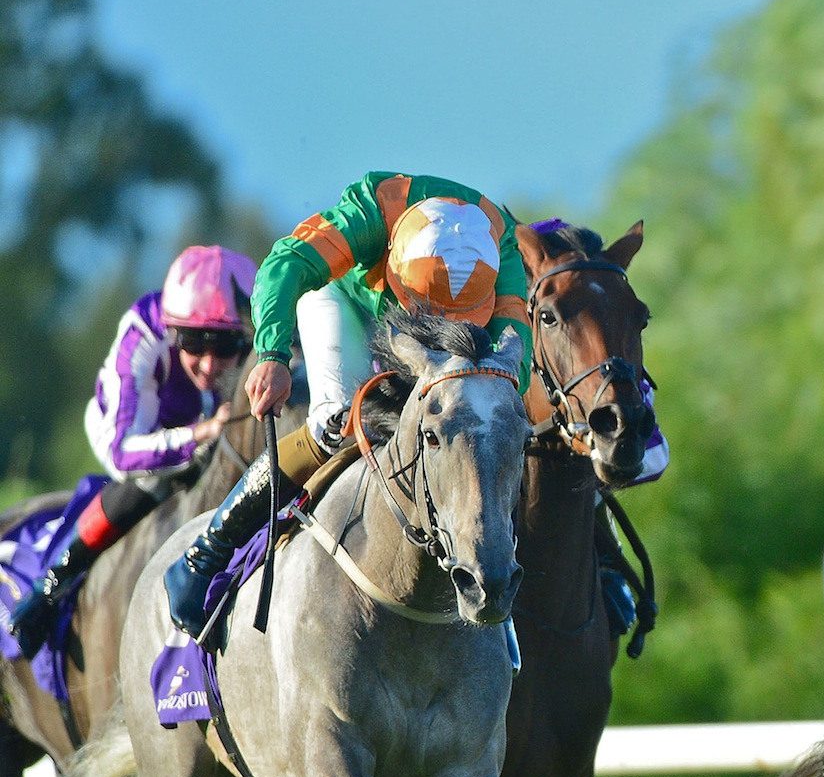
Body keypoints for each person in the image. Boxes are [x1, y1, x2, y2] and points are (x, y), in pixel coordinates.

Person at [163, 172, 532, 638]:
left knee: (490, 424)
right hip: (347, 302)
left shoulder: (503, 243)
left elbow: (518, 350)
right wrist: (274, 355)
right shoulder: (373, 211)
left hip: (449, 347)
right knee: (337, 423)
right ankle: (208, 553)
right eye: (435, 314)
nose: (443, 327)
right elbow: (284, 264)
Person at [2, 246, 257, 655]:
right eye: (194, 342)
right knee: (152, 485)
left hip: (201, 419)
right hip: (126, 433)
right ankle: (49, 587)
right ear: (173, 331)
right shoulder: (142, 333)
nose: (210, 364)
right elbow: (123, 452)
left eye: (226, 347)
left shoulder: (249, 341)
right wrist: (198, 434)